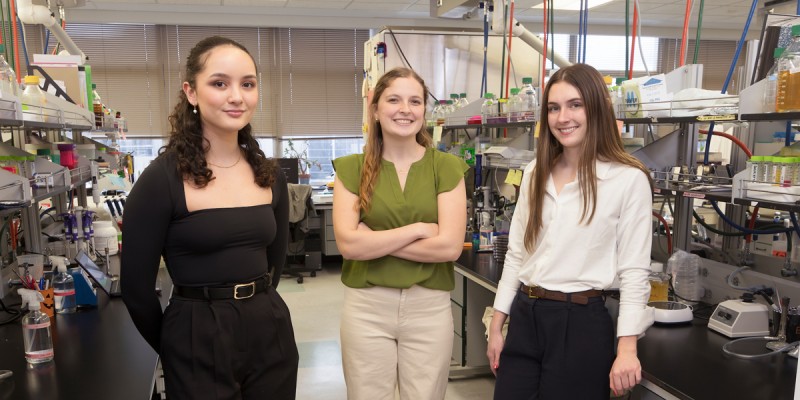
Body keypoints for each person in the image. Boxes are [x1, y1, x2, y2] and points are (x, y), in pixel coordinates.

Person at [121, 36, 299, 400]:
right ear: (191, 92)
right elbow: (136, 291)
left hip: (269, 330)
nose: (237, 96)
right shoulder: (162, 180)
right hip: (196, 334)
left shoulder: (268, 175)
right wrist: (177, 344)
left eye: (247, 84)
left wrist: (255, 312)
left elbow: (274, 267)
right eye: (220, 83)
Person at [486, 63, 655, 399]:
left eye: (575, 105)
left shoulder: (627, 179)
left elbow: (635, 270)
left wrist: (627, 348)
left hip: (580, 322)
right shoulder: (536, 171)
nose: (563, 117)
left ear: (596, 108)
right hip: (525, 315)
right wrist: (496, 323)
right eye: (554, 108)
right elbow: (518, 252)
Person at [332, 67, 468, 400]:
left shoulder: (446, 168)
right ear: (375, 110)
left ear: (424, 110)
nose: (405, 109)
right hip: (367, 308)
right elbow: (349, 246)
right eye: (393, 100)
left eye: (415, 101)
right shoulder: (351, 168)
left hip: (429, 307)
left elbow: (449, 248)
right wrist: (419, 230)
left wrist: (373, 240)